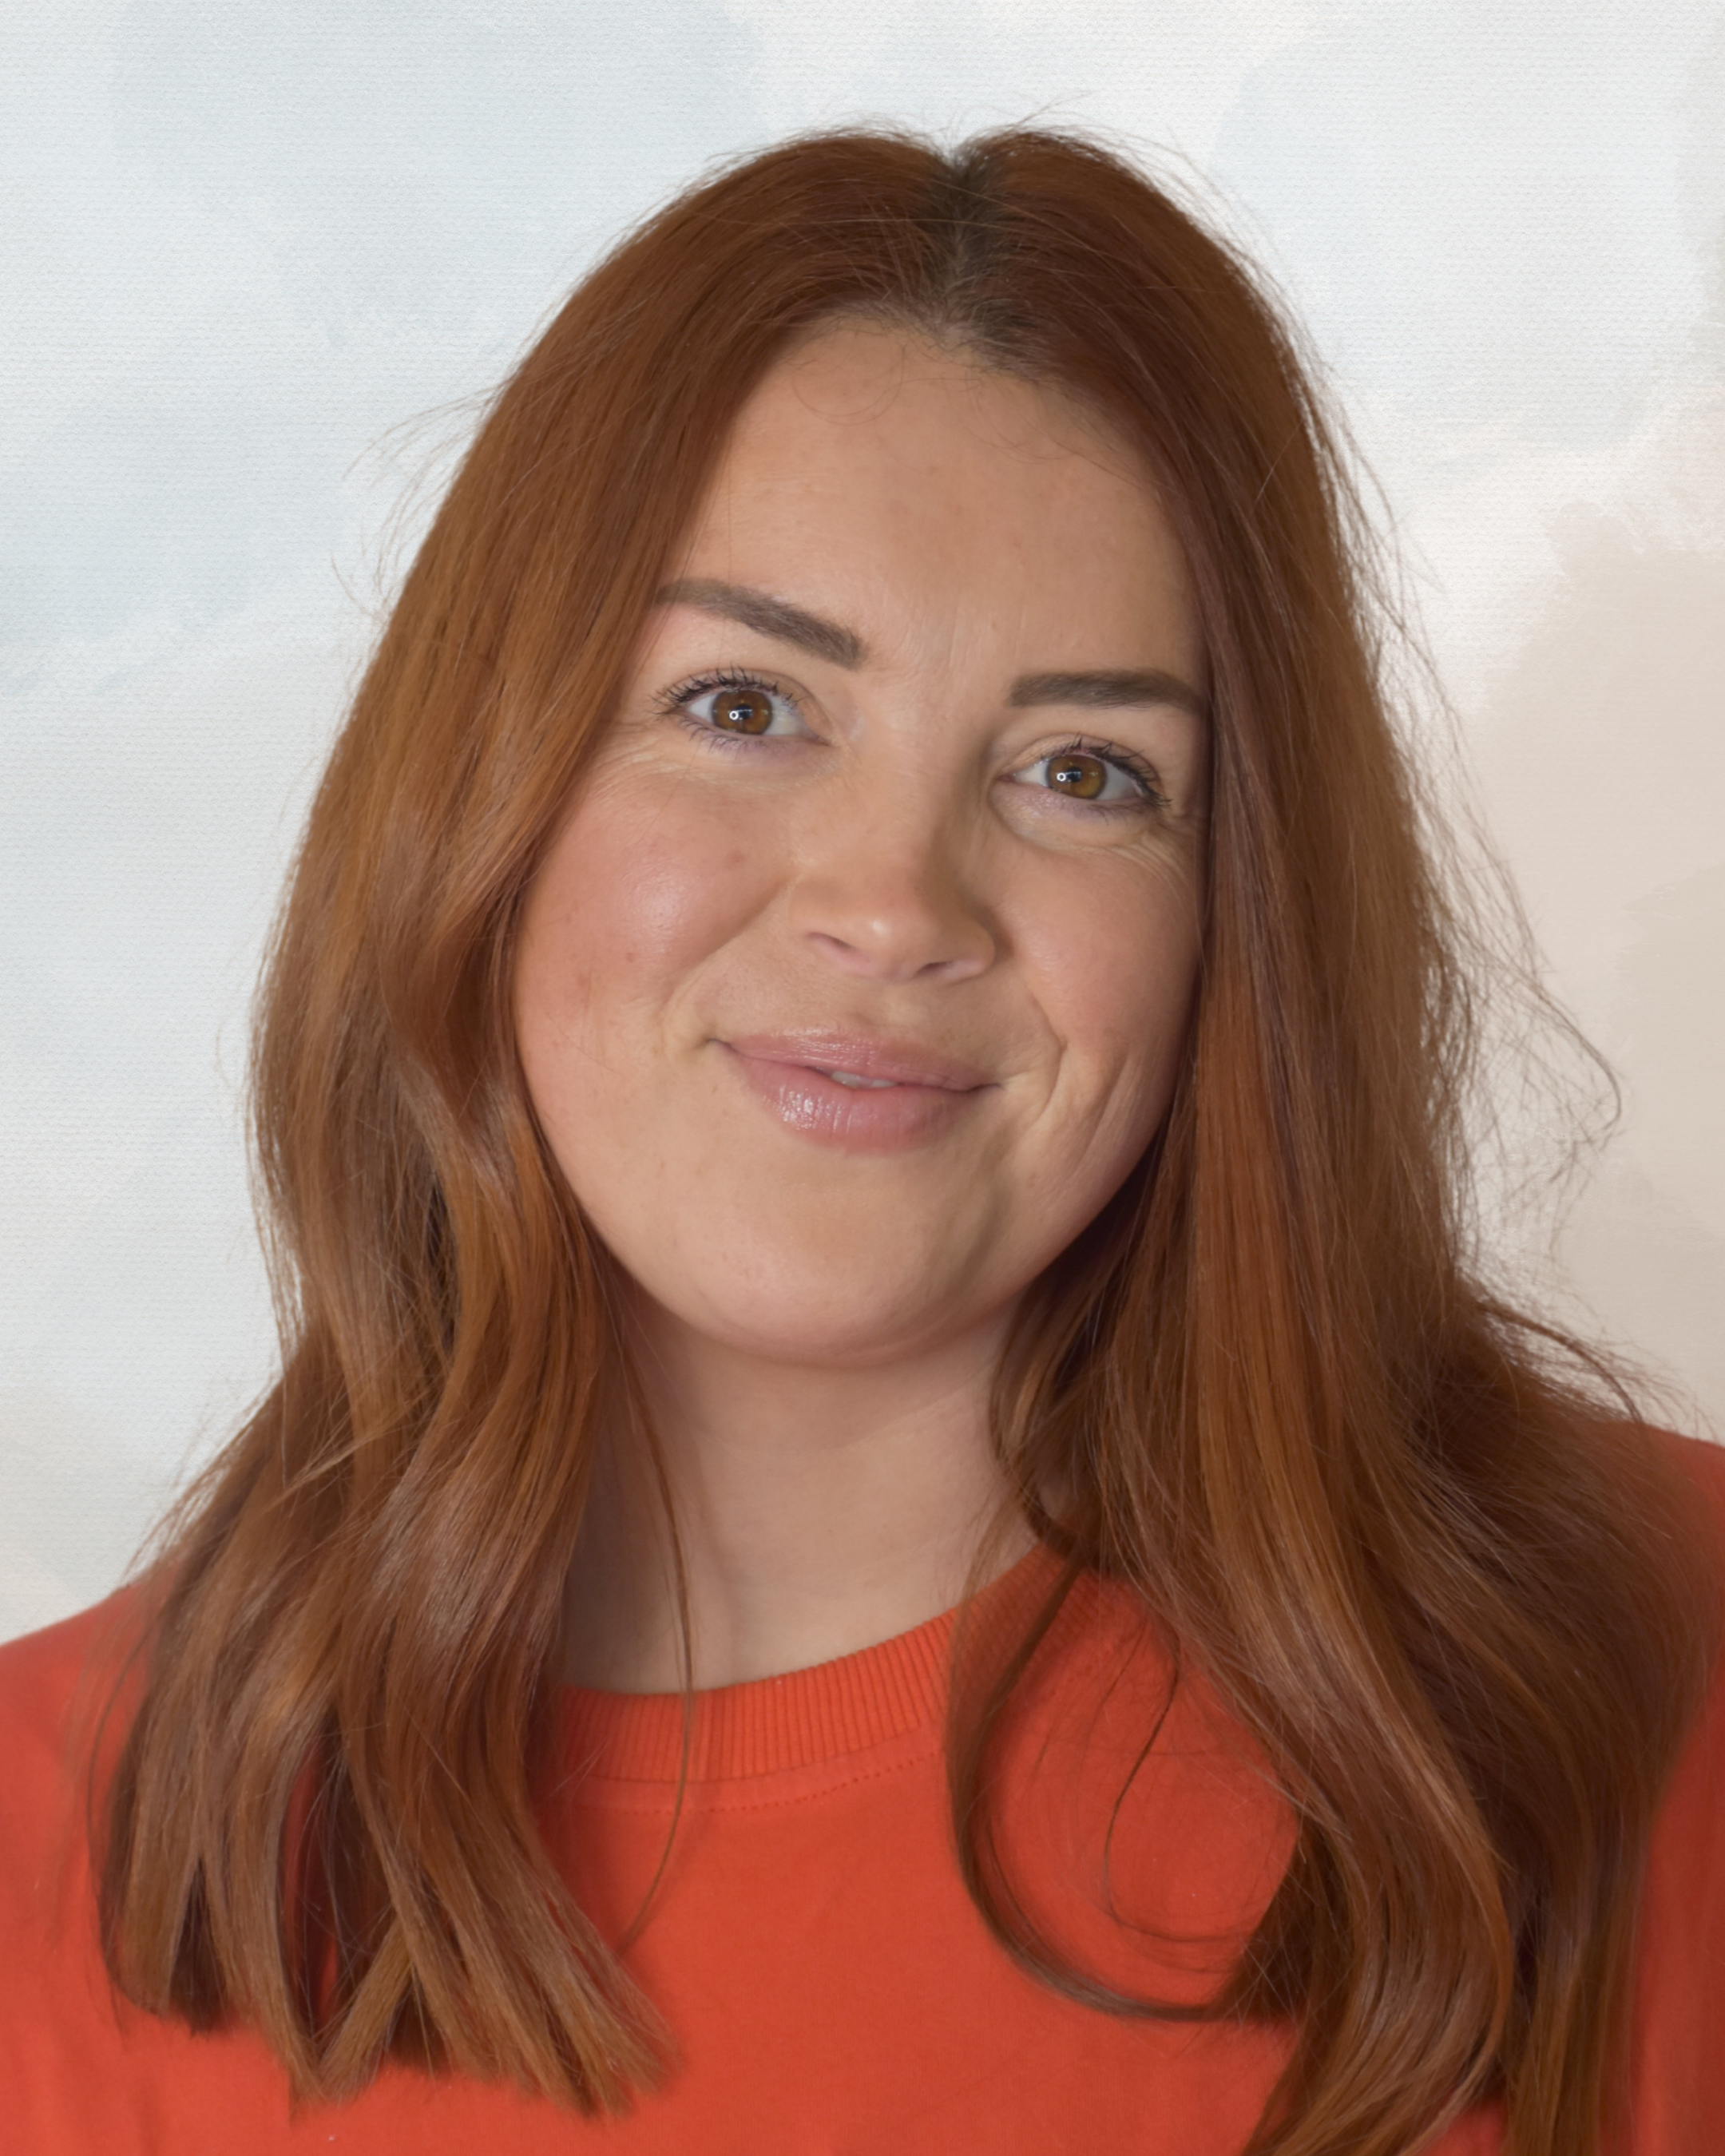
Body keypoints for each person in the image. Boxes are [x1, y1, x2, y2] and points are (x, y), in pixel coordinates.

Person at [1, 126, 1719, 2156]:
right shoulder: (52, 1847)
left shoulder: (1653, 1668)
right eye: (744, 707)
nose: (897, 902)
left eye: (1086, 771)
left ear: (1233, 919)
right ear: (487, 793)